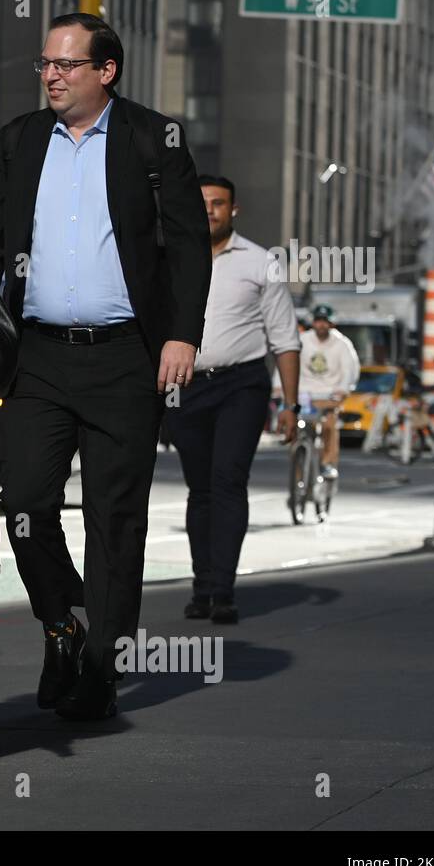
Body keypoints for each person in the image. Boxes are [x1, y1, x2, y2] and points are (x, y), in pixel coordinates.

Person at [0, 13, 210, 720]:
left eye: (66, 64)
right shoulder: (20, 140)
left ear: (106, 71)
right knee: (26, 505)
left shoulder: (151, 139)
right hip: (37, 356)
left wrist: (181, 335)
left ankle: (102, 668)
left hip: (126, 359)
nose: (51, 74)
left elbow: (190, 243)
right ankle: (62, 623)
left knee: (114, 518)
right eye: (45, 63)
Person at [167, 176, 300, 625]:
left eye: (218, 204)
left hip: (242, 384)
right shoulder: (170, 260)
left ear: (234, 209)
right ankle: (201, 586)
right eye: (201, 203)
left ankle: (222, 590)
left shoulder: (262, 263)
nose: (208, 211)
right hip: (185, 386)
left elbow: (285, 340)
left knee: (227, 480)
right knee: (200, 489)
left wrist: (291, 405)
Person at [298, 304, 360, 477]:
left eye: (325, 322)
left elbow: (349, 370)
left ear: (332, 324)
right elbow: (288, 364)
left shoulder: (342, 344)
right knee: (298, 430)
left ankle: (328, 463)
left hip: (329, 395)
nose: (321, 325)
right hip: (304, 395)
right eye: (318, 321)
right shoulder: (302, 340)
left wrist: (342, 389)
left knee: (329, 425)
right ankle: (299, 474)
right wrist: (279, 387)